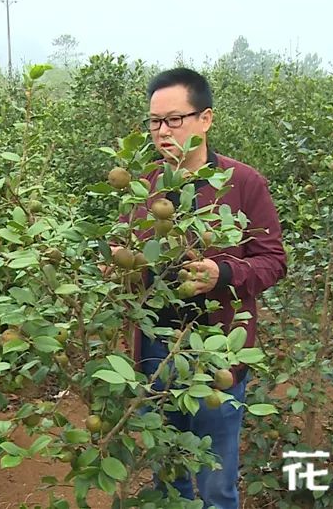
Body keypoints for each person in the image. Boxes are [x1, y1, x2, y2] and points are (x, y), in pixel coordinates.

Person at [128, 68, 287, 508]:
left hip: (217, 353)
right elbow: (121, 254)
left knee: (216, 480)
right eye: (155, 122)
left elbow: (273, 261)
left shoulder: (243, 183)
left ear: (206, 119)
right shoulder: (143, 188)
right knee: (168, 470)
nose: (162, 132)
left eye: (174, 119)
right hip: (156, 352)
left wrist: (225, 274)